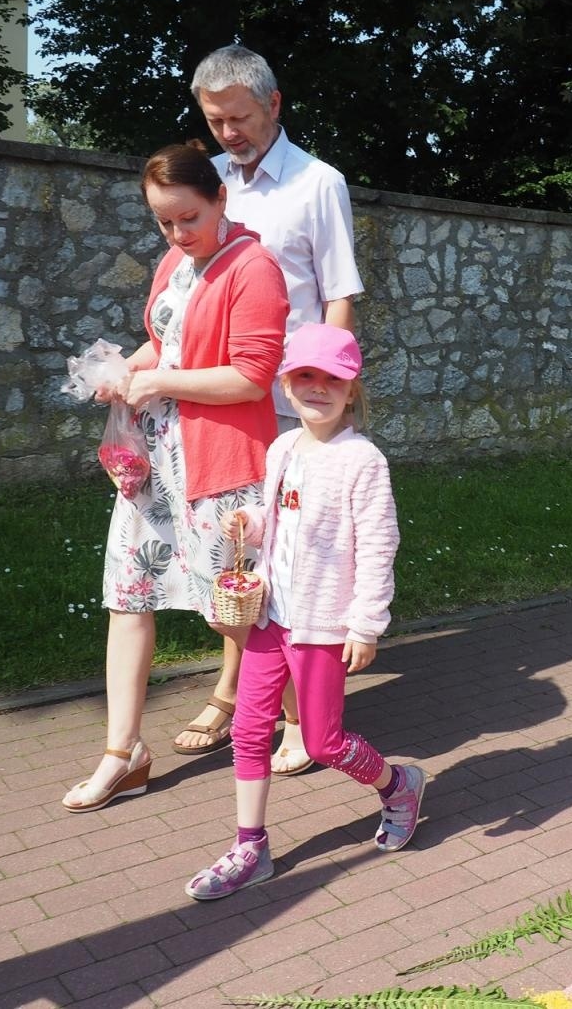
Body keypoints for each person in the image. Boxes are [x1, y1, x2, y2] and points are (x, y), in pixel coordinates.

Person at [61, 142, 288, 813]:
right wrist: (127, 372)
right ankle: (122, 753)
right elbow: (165, 344)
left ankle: (305, 718)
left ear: (221, 199)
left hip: (221, 465)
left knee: (241, 613)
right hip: (156, 463)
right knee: (128, 598)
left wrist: (160, 381)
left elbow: (251, 377)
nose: (177, 233)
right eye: (164, 222)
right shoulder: (175, 264)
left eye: (189, 217)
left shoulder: (255, 269)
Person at [185, 323, 425, 899]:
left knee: (323, 743)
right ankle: (250, 845)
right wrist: (250, 523)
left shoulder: (362, 461)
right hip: (270, 616)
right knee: (248, 731)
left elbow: (378, 545)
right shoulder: (284, 448)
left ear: (351, 390)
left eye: (332, 380)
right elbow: (277, 517)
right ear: (287, 386)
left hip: (322, 624)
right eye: (305, 377)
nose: (318, 388)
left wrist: (366, 624)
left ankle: (398, 785)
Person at [189, 44, 366, 774]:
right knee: (240, 550)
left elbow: (339, 292)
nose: (229, 133)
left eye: (239, 117)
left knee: (300, 554)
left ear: (274, 104)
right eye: (215, 121)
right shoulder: (212, 183)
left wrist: (328, 402)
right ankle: (237, 690)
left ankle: (298, 713)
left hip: (293, 406)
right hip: (226, 396)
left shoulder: (318, 183)